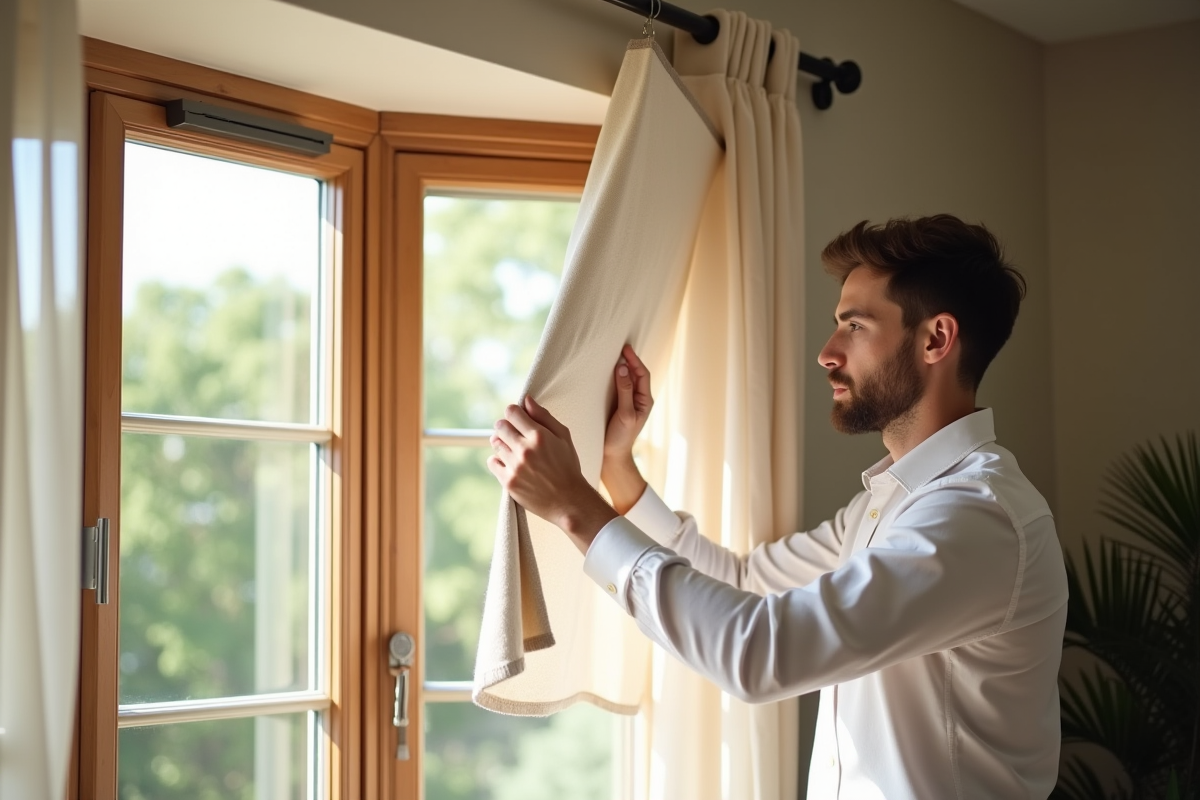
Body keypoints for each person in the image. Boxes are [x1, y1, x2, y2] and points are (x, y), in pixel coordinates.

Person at [486, 214, 1068, 799]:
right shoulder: (891, 505)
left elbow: (761, 652)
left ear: (936, 339)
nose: (826, 352)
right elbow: (744, 580)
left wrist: (574, 508)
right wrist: (617, 469)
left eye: (854, 326)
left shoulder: (975, 516)